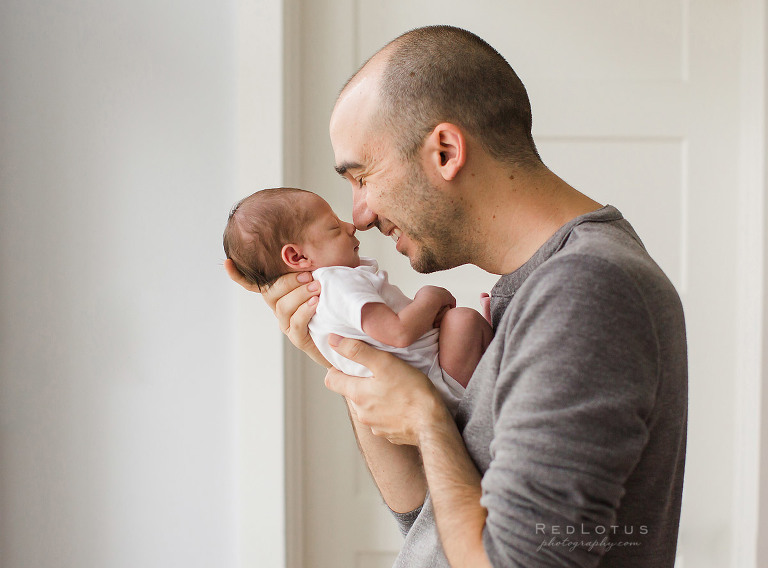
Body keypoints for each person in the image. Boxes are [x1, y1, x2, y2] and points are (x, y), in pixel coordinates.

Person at [225, 25, 687, 568]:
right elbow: (428, 519)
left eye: (362, 176)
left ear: (445, 151)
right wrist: (352, 358)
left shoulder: (586, 289)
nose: (359, 216)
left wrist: (425, 418)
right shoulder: (541, 286)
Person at [222, 187, 493, 411]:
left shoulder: (317, 303)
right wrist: (430, 297)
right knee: (462, 321)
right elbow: (398, 333)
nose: (351, 226)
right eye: (333, 227)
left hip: (415, 392)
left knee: (460, 327)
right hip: (435, 385)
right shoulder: (335, 283)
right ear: (298, 257)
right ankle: (494, 352)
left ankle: (491, 350)